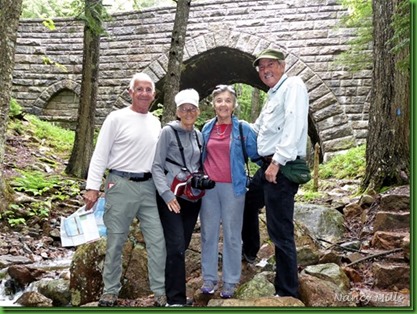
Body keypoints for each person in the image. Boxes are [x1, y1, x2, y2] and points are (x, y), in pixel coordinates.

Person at [83, 72, 167, 307]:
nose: (143, 93)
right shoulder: (116, 118)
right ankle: (110, 291)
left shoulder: (155, 122)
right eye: (139, 89)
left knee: (157, 241)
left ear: (154, 94)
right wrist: (92, 187)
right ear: (130, 92)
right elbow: (100, 154)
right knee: (116, 241)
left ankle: (159, 291)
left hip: (149, 187)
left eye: (148, 89)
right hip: (120, 184)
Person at [242, 48, 309, 298]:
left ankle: (287, 291)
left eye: (270, 64)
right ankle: (249, 251)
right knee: (248, 202)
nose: (265, 70)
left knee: (280, 232)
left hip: (281, 169)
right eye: (261, 67)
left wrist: (277, 162)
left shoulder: (293, 85)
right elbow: (257, 128)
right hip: (267, 166)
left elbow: (294, 123)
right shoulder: (273, 95)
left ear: (282, 66)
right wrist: (228, 119)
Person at [199, 84, 259, 299]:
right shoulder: (206, 128)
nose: (223, 104)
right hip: (209, 189)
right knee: (208, 234)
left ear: (234, 105)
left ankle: (231, 280)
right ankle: (209, 278)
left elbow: (258, 155)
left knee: (233, 235)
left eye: (227, 100)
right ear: (214, 104)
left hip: (234, 188)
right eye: (219, 100)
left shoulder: (244, 129)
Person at [151, 89, 203, 307]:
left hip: (191, 199)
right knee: (175, 245)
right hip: (171, 197)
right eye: (184, 108)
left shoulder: (199, 135)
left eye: (192, 108)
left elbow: (198, 165)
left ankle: (173, 292)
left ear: (198, 111)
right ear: (177, 111)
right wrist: (166, 195)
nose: (188, 112)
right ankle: (175, 300)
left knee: (182, 245)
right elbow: (156, 166)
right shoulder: (167, 133)